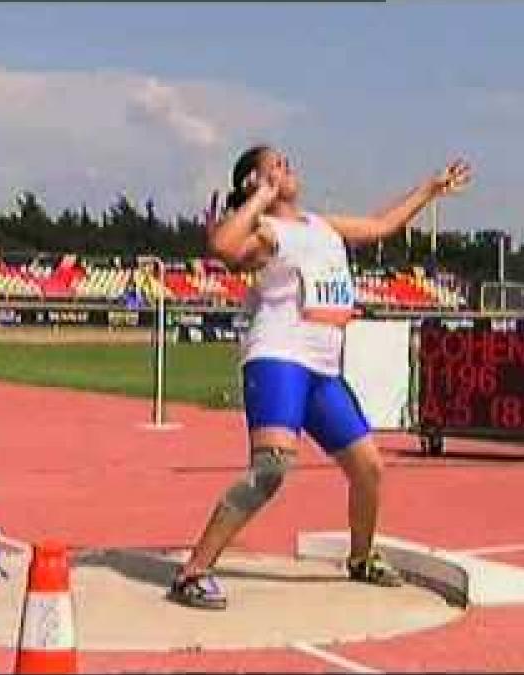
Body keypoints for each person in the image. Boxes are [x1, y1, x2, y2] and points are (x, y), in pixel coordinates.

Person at [167, 144, 471, 608]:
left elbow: (380, 226)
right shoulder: (267, 231)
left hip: (323, 370)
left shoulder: (320, 226)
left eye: (287, 162)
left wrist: (430, 189)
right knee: (270, 469)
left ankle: (361, 557)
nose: (289, 167)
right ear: (253, 180)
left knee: (368, 467)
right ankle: (194, 571)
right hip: (278, 359)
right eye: (277, 164)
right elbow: (224, 247)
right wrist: (258, 199)